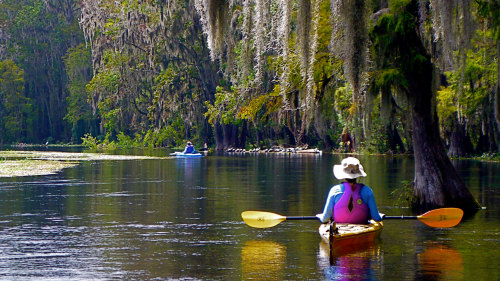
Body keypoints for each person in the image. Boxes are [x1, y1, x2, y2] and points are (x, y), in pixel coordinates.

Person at [316, 157, 383, 224]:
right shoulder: (368, 191)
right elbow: (376, 218)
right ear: (358, 175)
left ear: (343, 174)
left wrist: (320, 216)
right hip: (362, 226)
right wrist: (380, 216)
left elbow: (325, 219)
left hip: (340, 228)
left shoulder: (334, 190)